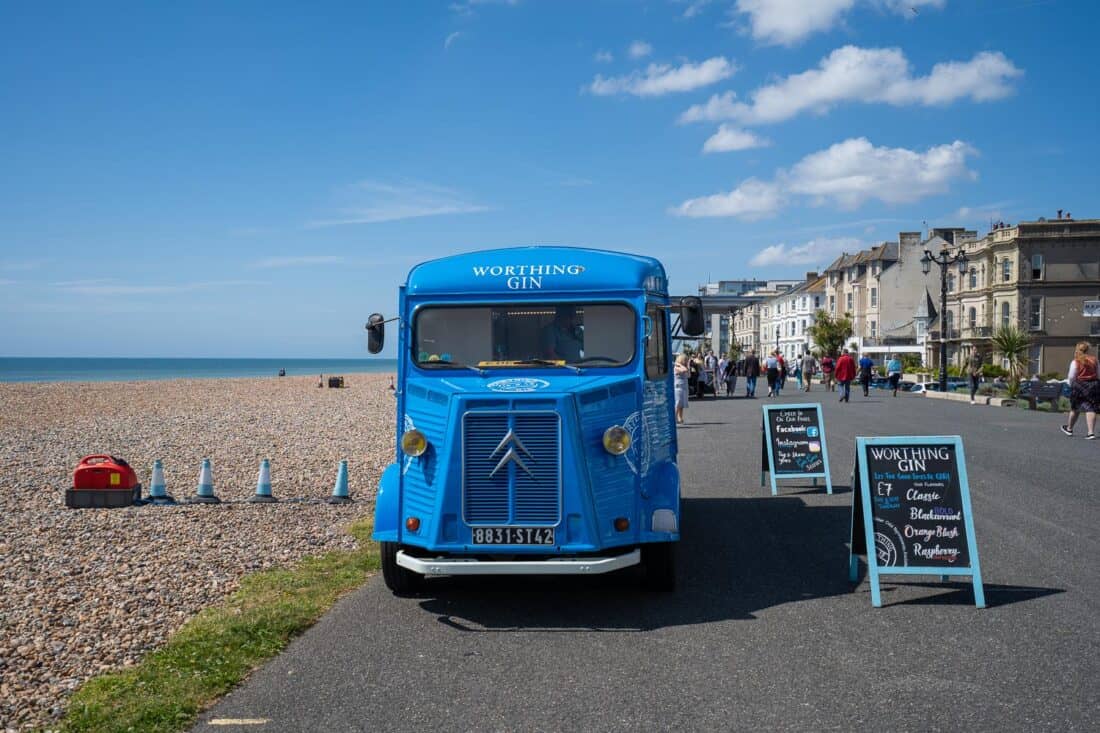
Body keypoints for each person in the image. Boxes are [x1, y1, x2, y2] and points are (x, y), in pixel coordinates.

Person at [1061, 342, 1098, 440]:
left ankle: (1069, 429)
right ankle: (1091, 433)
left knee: (1075, 407)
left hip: (1079, 385)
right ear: (1088, 349)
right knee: (1091, 408)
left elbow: (1071, 376)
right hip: (1093, 385)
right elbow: (1098, 373)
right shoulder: (1094, 360)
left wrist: (1072, 385)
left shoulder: (1076, 361)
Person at [674, 354, 690, 424]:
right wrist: (679, 364)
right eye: (685, 360)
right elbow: (684, 370)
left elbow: (689, 375)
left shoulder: (684, 367)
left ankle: (680, 418)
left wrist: (687, 366)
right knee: (678, 403)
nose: (686, 361)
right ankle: (674, 418)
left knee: (682, 404)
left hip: (684, 387)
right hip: (678, 387)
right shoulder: (676, 367)